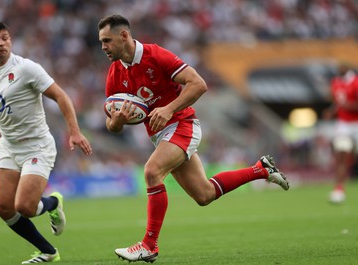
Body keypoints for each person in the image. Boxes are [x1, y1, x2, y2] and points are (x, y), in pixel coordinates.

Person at [98, 14, 289, 263]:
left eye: (107, 40)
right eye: (101, 42)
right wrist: (117, 122)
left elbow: (198, 84)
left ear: (124, 36)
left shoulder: (156, 56)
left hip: (183, 124)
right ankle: (261, 169)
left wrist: (168, 109)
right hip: (160, 135)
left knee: (151, 172)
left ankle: (149, 245)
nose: (103, 47)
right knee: (205, 194)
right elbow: (110, 125)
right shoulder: (114, 74)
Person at [0, 22, 92, 264]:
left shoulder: (27, 68)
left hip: (37, 145)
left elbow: (60, 95)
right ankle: (48, 251)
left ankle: (53, 203)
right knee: (3, 208)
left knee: (25, 207)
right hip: (9, 146)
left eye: (5, 38)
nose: (1, 43)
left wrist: (74, 132)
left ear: (11, 41)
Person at [323, 63, 358, 203]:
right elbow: (337, 102)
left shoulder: (355, 82)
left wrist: (349, 106)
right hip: (343, 124)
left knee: (347, 156)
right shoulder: (336, 83)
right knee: (341, 155)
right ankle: (339, 189)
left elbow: (348, 104)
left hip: (356, 123)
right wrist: (331, 111)